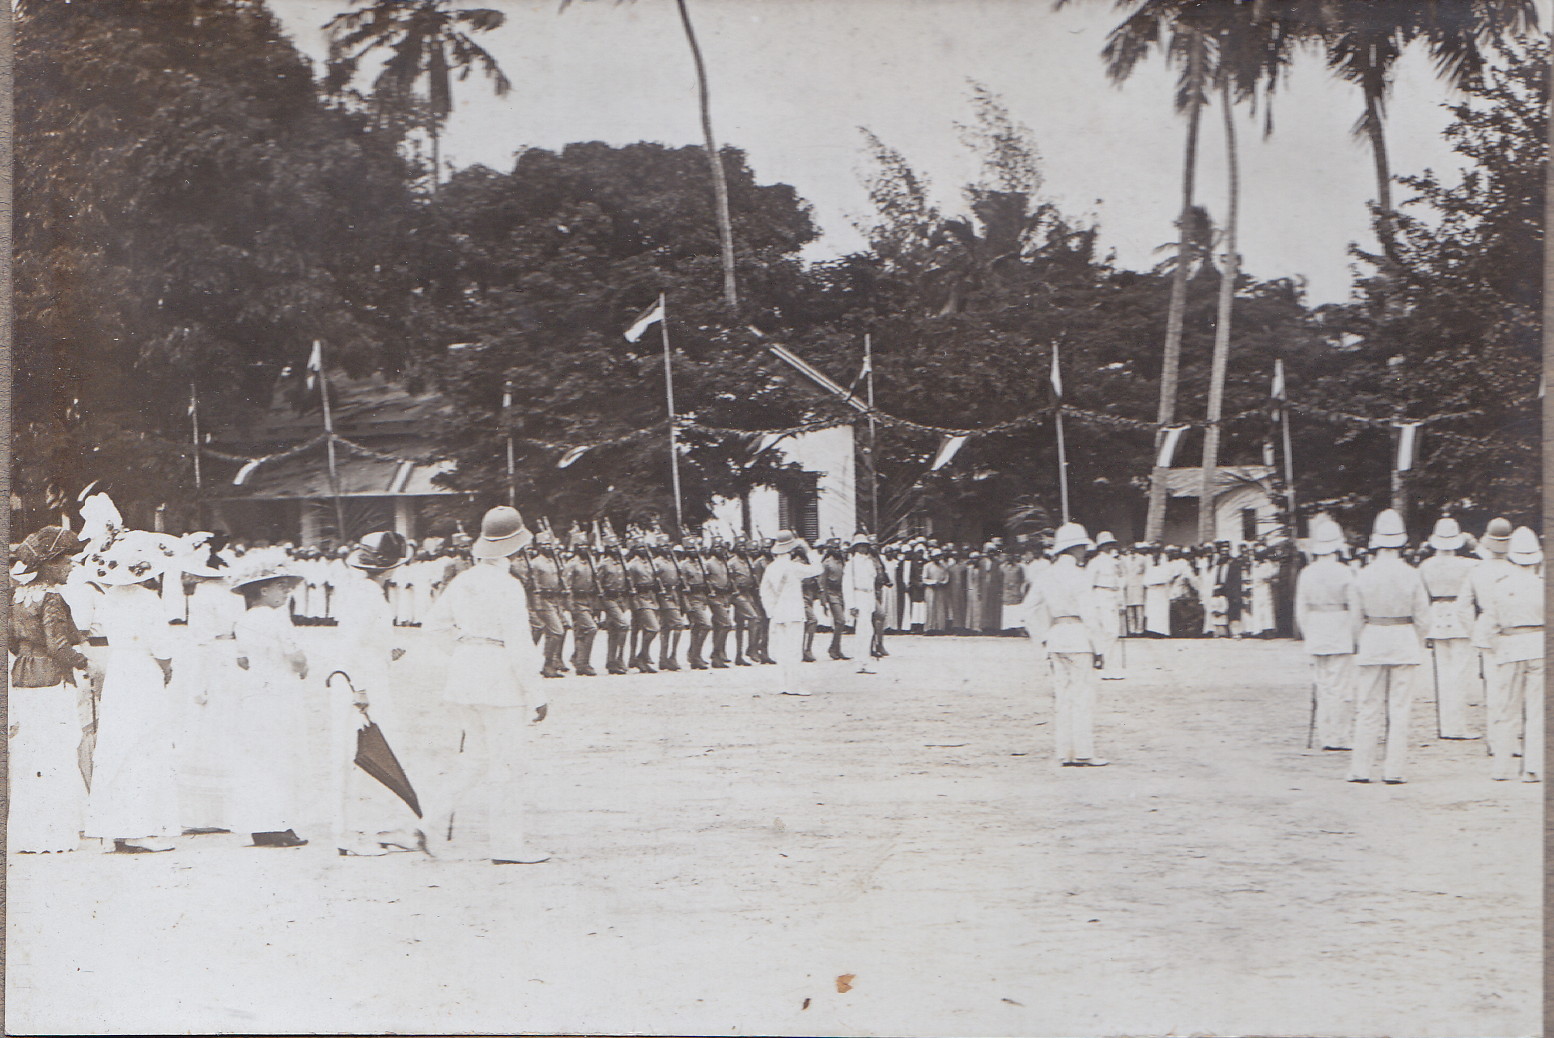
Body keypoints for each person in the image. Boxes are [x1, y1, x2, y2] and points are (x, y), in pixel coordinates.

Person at [421, 506, 549, 864]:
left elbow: (432, 626)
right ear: (516, 549)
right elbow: (520, 646)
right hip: (499, 679)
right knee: (507, 764)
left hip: (464, 675)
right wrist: (536, 692)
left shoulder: (464, 580)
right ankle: (507, 846)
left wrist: (464, 650)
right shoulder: (508, 586)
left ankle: (427, 822)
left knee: (474, 759)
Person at [79, 530, 184, 853]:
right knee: (145, 740)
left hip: (120, 668)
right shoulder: (147, 599)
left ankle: (116, 828)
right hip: (142, 669)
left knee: (119, 742)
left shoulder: (109, 597)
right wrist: (167, 668)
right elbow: (161, 646)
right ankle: (140, 827)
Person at [333, 531, 421, 856]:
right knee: (363, 752)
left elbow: (370, 639)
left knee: (385, 749)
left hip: (374, 677)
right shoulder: (365, 594)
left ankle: (387, 826)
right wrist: (359, 688)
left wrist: (387, 651)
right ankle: (354, 834)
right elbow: (349, 645)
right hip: (361, 682)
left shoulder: (370, 592)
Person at [9, 526, 91, 852]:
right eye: (67, 560)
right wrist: (85, 662)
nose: (72, 566)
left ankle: (29, 834)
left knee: (30, 755)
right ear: (51, 563)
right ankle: (54, 833)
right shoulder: (52, 598)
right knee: (55, 752)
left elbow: (13, 641)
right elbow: (58, 646)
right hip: (52, 677)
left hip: (24, 676)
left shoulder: (15, 596)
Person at [1348, 509, 1431, 784]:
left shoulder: (1362, 575)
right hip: (1404, 638)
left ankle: (1361, 768)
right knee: (1400, 708)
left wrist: (1363, 642)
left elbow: (1355, 618)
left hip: (1373, 637)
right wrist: (1415, 641)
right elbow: (1423, 617)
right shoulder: (1412, 574)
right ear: (1401, 541)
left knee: (1368, 707)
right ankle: (1394, 769)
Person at [1020, 522, 1107, 767]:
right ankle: (1083, 752)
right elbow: (1090, 614)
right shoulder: (1080, 576)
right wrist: (1099, 648)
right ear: (1077, 548)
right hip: (1079, 637)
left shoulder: (1046, 575)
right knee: (1083, 696)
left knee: (1063, 697)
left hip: (1056, 637)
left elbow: (1027, 609)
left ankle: (1064, 753)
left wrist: (1043, 637)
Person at [1480, 527, 1543, 782]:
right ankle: (1532, 767)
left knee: (1507, 711)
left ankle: (1501, 767)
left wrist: (1499, 649)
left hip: (1510, 646)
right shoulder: (1543, 586)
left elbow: (1490, 626)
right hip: (1539, 646)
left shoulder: (1500, 587)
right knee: (1537, 711)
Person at [1294, 518, 1360, 751]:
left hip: (1316, 630)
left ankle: (1326, 734)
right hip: (1340, 631)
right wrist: (1355, 638)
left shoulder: (1307, 573)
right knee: (1341, 687)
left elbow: (1300, 609)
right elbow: (1355, 608)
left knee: (1323, 687)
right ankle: (1340, 736)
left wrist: (1308, 634)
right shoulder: (1346, 572)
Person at [1418, 516, 1478, 739]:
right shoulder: (1469, 564)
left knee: (1443, 675)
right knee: (1460, 674)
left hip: (1436, 616)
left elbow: (1422, 598)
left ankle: (1446, 726)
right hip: (1462, 619)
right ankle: (1458, 726)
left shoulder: (1425, 566)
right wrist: (1475, 545)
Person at [759, 531, 824, 697]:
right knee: (794, 650)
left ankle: (783, 684)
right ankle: (793, 686)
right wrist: (809, 551)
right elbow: (818, 569)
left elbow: (764, 592)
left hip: (778, 613)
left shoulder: (771, 567)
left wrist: (772, 611)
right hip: (794, 612)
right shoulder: (794, 567)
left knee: (781, 650)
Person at [845, 533, 887, 669]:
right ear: (855, 548)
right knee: (862, 630)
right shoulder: (851, 564)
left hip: (869, 596)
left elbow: (874, 578)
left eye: (865, 546)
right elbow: (847, 585)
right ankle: (860, 660)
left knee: (868, 630)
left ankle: (865, 659)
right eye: (860, 546)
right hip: (858, 595)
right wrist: (851, 604)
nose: (863, 549)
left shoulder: (869, 562)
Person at [1089, 532, 1124, 679]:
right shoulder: (1095, 562)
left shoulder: (1114, 562)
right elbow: (1088, 583)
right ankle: (1104, 666)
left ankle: (1111, 667)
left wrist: (1121, 601)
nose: (1111, 547)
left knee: (1113, 633)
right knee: (1107, 633)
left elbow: (1119, 582)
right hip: (1100, 596)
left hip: (1112, 597)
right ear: (1102, 546)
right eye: (1108, 544)